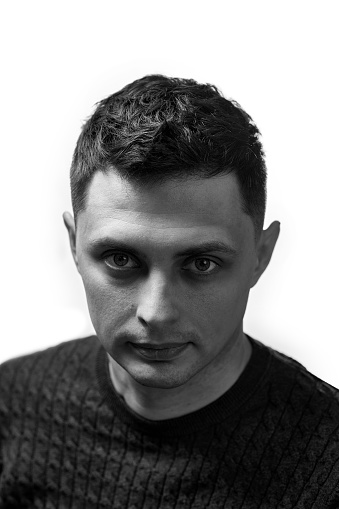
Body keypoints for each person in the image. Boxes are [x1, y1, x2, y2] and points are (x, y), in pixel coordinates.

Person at [0, 75, 338, 509]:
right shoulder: (13, 403)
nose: (156, 313)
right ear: (73, 245)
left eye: (201, 264)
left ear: (261, 255)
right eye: (121, 260)